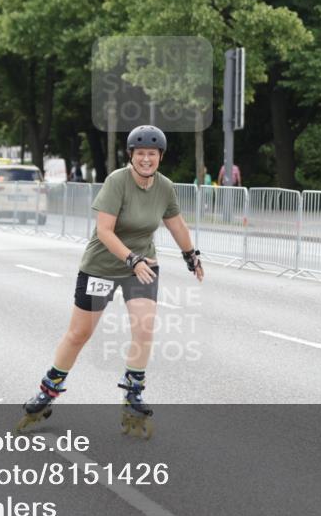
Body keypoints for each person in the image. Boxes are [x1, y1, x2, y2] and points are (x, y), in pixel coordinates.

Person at [16, 125, 205, 439]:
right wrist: (131, 258)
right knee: (79, 333)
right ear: (131, 155)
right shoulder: (118, 181)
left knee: (144, 328)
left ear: (160, 157)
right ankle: (48, 391)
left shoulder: (165, 187)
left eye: (152, 154)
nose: (146, 159)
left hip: (142, 266)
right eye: (140, 153)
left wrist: (191, 255)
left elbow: (176, 224)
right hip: (103, 266)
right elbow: (105, 230)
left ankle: (133, 394)